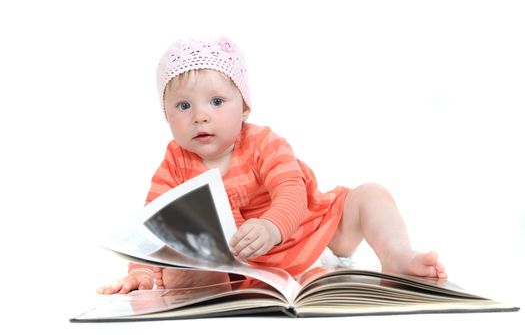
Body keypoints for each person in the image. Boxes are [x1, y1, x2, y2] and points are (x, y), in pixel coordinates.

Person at [97, 36, 447, 295]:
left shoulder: (262, 142)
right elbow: (152, 227)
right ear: (166, 115)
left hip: (308, 227)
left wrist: (271, 226)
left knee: (370, 195)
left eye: (217, 101)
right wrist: (140, 270)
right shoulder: (174, 163)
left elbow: (291, 191)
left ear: (244, 107)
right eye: (183, 106)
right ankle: (204, 283)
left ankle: (398, 255)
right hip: (239, 263)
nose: (200, 116)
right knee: (182, 254)